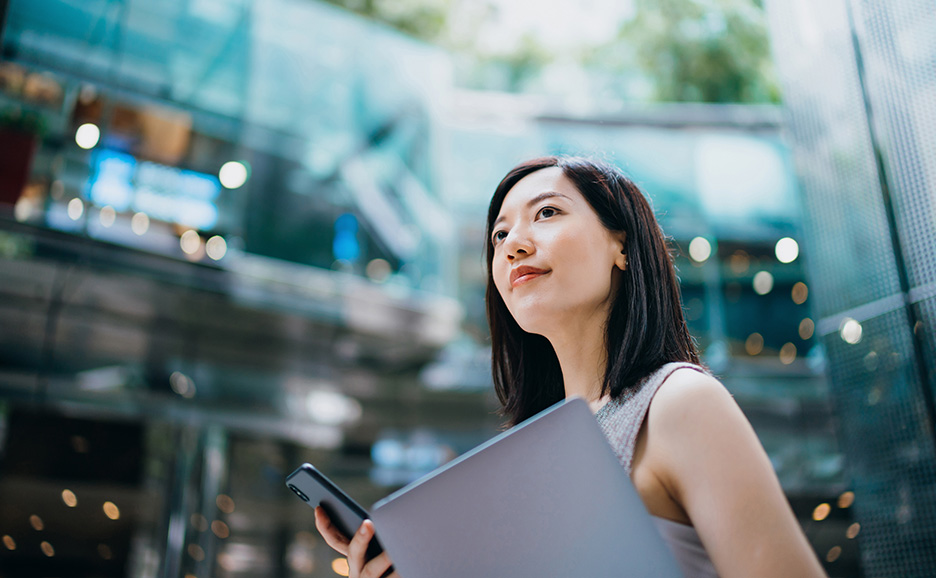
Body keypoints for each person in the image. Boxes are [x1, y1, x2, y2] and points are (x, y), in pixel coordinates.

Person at [315, 156, 827, 578]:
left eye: (546, 214)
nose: (512, 244)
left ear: (621, 246)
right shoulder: (530, 460)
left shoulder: (679, 402)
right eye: (498, 236)